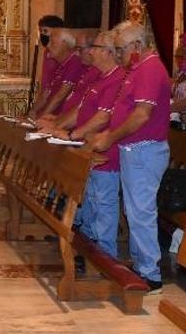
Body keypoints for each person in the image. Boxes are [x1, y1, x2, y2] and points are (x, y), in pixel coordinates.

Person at [89, 21, 171, 291]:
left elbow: (141, 116)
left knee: (141, 211)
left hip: (145, 150)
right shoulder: (137, 68)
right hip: (134, 150)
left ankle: (151, 273)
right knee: (134, 210)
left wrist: (110, 138)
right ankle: (141, 264)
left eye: (122, 49)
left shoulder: (150, 69)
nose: (119, 54)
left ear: (137, 46)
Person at [70, 33, 127, 258]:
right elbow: (83, 110)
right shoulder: (100, 76)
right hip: (89, 148)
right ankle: (88, 250)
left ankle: (105, 256)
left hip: (105, 152)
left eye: (95, 47)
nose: (90, 51)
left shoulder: (117, 78)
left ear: (108, 52)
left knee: (104, 204)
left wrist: (74, 134)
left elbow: (103, 117)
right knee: (91, 201)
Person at [30, 30, 83, 119]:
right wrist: (32, 113)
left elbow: (60, 95)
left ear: (64, 44)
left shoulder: (75, 62)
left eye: (52, 42)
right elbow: (45, 94)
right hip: (48, 117)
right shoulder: (58, 64)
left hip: (58, 119)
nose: (48, 45)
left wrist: (40, 119)